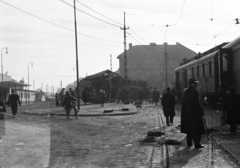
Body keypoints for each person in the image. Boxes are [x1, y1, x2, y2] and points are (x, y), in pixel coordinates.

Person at [181, 77, 206, 148]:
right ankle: (197, 143)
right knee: (196, 129)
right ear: (192, 84)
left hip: (187, 114)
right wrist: (200, 111)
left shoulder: (185, 91)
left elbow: (183, 102)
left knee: (189, 128)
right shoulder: (194, 92)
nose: (196, 85)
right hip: (194, 114)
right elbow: (196, 104)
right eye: (195, 83)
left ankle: (189, 142)